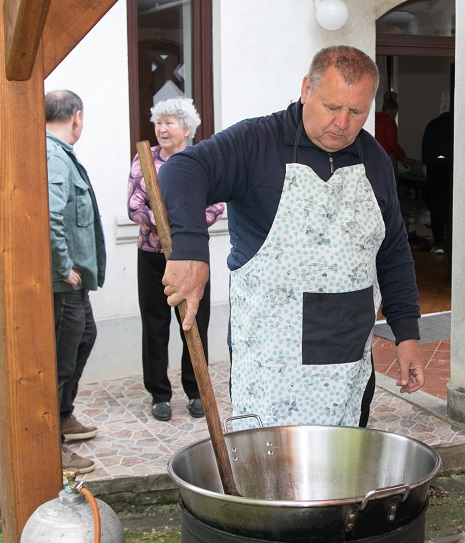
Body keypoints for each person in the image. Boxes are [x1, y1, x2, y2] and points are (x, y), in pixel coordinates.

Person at [159, 45, 425, 429]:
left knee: (343, 477)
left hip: (348, 364)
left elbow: (394, 252)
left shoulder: (375, 160)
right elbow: (181, 171)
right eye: (332, 107)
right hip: (271, 369)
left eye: (357, 112)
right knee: (267, 477)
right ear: (306, 89)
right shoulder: (256, 143)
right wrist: (189, 248)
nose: (343, 123)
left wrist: (407, 336)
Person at [127, 98, 224, 421]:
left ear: (187, 128)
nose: (162, 129)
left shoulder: (202, 159)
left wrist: (176, 223)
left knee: (194, 322)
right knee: (154, 325)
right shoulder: (144, 160)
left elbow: (214, 206)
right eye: (158, 122)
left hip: (192, 257)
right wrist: (170, 223)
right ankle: (159, 395)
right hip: (152, 256)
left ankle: (195, 391)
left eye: (169, 122)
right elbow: (134, 206)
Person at [46, 90, 106, 473]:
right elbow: (50, 215)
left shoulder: (57, 153)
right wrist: (62, 267)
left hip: (75, 281)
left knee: (85, 337)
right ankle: (54, 447)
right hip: (64, 282)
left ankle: (64, 414)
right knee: (61, 363)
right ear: (77, 117)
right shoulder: (54, 156)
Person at [421, 110, 452, 254]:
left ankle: (439, 243)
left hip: (433, 165)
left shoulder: (432, 124)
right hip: (450, 165)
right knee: (452, 204)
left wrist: (425, 162)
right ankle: (453, 242)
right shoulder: (454, 124)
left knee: (437, 205)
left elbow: (425, 148)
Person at [374, 90, 409, 173]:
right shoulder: (389, 121)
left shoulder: (374, 119)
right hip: (386, 157)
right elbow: (391, 143)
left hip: (373, 156)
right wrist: (403, 156)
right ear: (392, 110)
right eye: (396, 112)